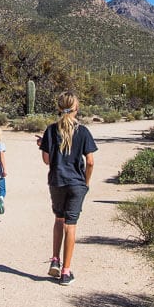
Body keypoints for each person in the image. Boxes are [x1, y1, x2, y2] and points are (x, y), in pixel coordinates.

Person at [38, 91, 97, 286]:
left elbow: (47, 160)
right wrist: (86, 183)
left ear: (58, 108)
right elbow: (90, 162)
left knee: (58, 220)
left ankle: (55, 259)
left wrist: (44, 145)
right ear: (76, 109)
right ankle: (66, 271)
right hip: (76, 183)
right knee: (70, 225)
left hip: (57, 181)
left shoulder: (51, 130)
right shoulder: (83, 132)